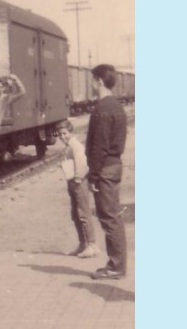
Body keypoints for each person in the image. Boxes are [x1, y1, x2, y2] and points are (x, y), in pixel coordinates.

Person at [85, 64, 128, 280]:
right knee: (113, 216)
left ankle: (117, 266)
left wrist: (92, 176)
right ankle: (116, 264)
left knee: (110, 217)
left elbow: (99, 145)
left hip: (105, 169)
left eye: (93, 80)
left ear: (99, 81)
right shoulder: (116, 106)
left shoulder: (103, 107)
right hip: (113, 166)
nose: (92, 84)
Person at [57, 120, 100, 259]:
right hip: (73, 182)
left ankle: (92, 245)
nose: (62, 137)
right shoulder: (69, 146)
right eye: (60, 134)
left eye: (65, 133)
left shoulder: (76, 146)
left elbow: (83, 164)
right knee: (76, 213)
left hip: (78, 182)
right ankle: (83, 243)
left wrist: (78, 178)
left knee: (83, 213)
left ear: (71, 132)